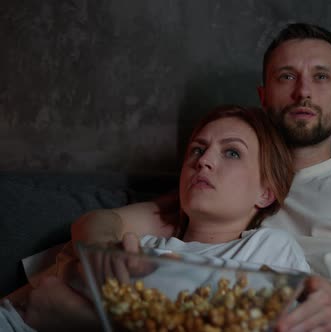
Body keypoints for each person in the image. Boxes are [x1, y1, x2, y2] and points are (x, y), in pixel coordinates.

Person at [39, 23, 331, 332]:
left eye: (321, 77)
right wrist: (104, 256)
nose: (303, 91)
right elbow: (101, 224)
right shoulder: (227, 190)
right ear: (265, 95)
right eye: (287, 76)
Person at [6, 105, 310, 331]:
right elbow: (29, 301)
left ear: (265, 193)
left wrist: (81, 318)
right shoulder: (137, 243)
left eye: (231, 153)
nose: (203, 161)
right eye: (197, 150)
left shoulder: (268, 249)